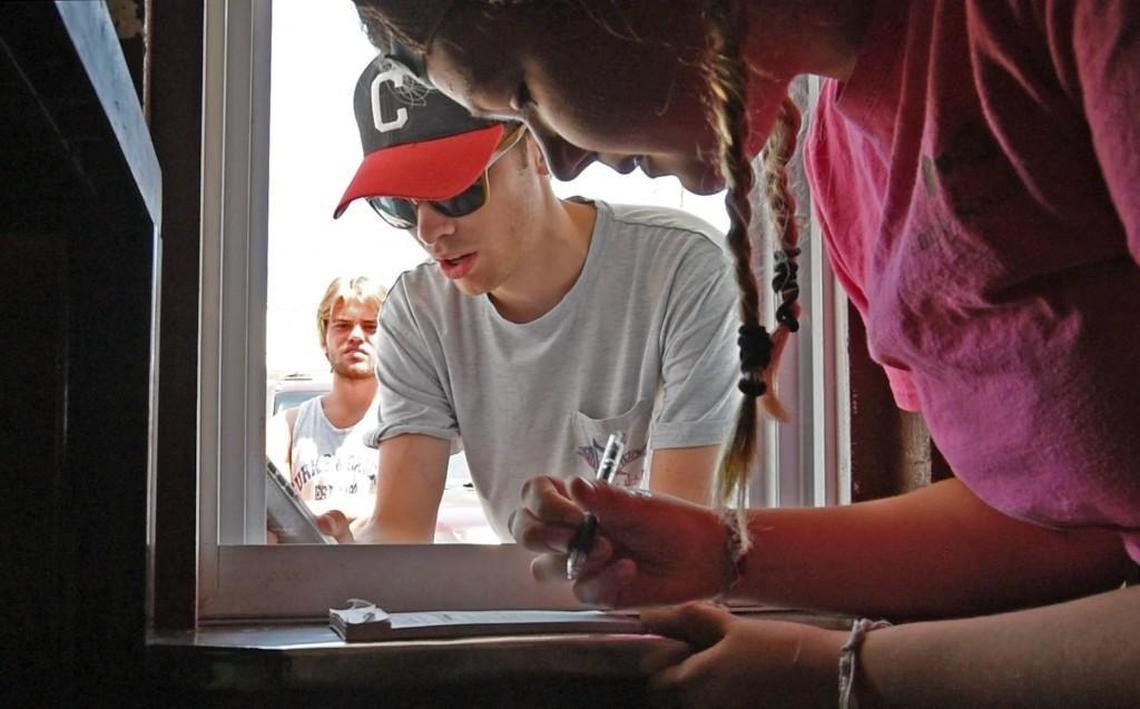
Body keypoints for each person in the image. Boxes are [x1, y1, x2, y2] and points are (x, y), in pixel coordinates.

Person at [352, 1, 1140, 706]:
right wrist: (724, 553)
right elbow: (1063, 523)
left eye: (523, 88)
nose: (559, 157)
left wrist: (843, 668)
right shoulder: (841, 156)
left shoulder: (1051, 25)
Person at [330, 55, 741, 543]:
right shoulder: (419, 312)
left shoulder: (682, 269)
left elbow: (679, 543)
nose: (428, 230)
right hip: (523, 604)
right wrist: (331, 564)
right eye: (398, 204)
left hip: (659, 606)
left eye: (455, 191)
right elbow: (400, 531)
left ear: (538, 150)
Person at [267, 275, 387, 527]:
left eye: (370, 326)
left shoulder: (402, 427)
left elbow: (399, 512)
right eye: (342, 325)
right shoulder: (286, 428)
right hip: (304, 567)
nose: (355, 336)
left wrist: (308, 512)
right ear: (324, 338)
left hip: (380, 567)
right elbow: (273, 515)